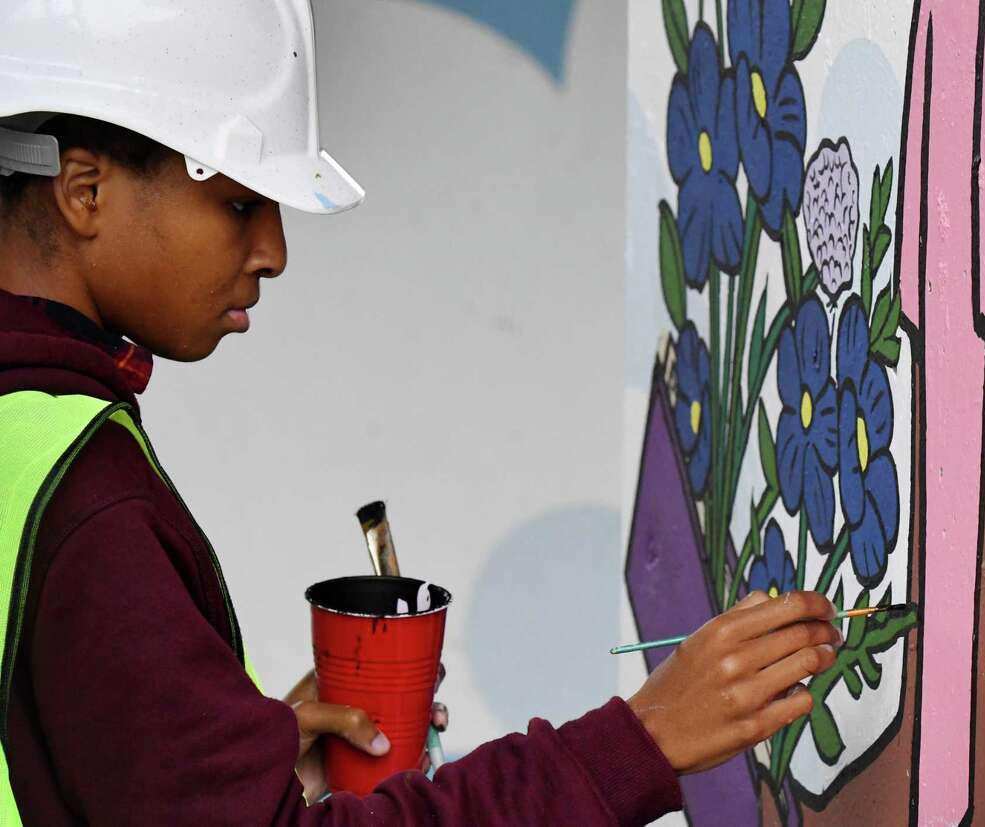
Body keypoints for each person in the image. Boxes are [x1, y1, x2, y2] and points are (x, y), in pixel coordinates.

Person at [0, 2, 842, 824]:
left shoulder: (33, 443)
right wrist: (640, 742)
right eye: (239, 203)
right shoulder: (89, 500)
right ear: (84, 190)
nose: (275, 253)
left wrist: (227, 756)